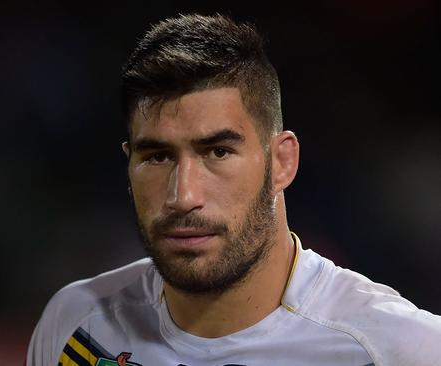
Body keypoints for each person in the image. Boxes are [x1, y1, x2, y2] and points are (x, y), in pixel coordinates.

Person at [26, 14, 441, 366]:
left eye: (218, 152)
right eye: (157, 157)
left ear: (282, 162)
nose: (183, 196)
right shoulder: (76, 325)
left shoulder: (398, 350)